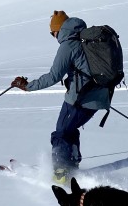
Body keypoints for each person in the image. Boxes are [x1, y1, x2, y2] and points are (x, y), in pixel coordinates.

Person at [12, 10, 111, 183]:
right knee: (69, 130)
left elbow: (53, 76)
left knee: (61, 133)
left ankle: (61, 175)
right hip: (100, 96)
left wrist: (27, 86)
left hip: (80, 99)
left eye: (52, 33)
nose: (53, 36)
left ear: (59, 30)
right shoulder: (86, 40)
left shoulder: (68, 45)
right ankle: (71, 166)